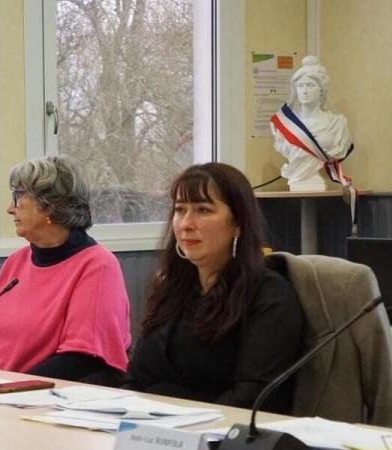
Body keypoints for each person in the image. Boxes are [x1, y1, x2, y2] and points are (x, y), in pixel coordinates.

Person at [123, 163, 304, 413]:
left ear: (238, 223)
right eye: (180, 210)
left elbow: (252, 400)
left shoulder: (269, 296)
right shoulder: (172, 287)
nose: (186, 223)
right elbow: (135, 380)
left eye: (203, 210)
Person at [0, 155, 131, 384]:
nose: (9, 209)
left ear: (50, 206)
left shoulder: (97, 265)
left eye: (17, 196)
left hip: (34, 399)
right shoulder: (17, 261)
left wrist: (6, 389)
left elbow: (83, 357)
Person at [270, 55, 354, 191]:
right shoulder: (284, 125)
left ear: (321, 90)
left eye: (310, 85)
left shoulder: (337, 123)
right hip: (296, 181)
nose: (304, 91)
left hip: (316, 182)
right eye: (300, 86)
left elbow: (340, 150)